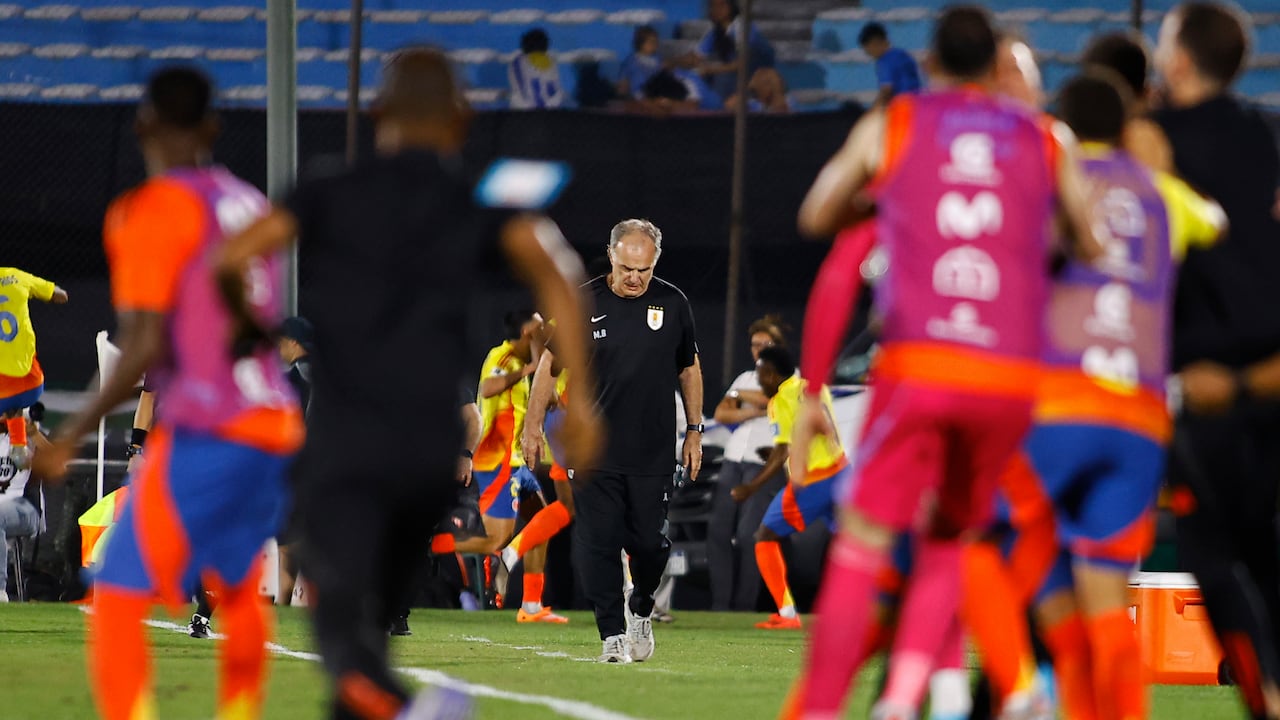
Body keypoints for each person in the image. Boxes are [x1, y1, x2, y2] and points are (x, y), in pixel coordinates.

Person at [214, 47, 600, 720]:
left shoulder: (328, 187)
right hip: (428, 442)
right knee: (376, 621)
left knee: (338, 620)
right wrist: (585, 401)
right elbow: (560, 275)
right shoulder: (479, 200)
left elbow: (231, 258)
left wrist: (251, 328)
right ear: (461, 120)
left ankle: (403, 705)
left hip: (346, 436)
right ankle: (380, 701)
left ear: (376, 113)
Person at [784, 6, 1101, 717]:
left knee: (864, 544)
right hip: (1010, 379)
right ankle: (915, 696)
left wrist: (884, 202)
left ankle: (825, 708)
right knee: (952, 539)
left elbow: (816, 216)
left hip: (921, 364)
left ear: (929, 64)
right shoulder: (1048, 138)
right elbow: (1090, 241)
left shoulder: (896, 123)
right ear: (997, 69)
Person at [33, 67, 305, 720]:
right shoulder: (249, 203)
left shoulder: (148, 210)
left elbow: (148, 342)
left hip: (211, 423)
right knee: (237, 582)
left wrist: (71, 433)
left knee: (120, 587)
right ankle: (239, 711)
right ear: (213, 128)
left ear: (142, 126)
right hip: (272, 419)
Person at [1149, 4, 1280, 718]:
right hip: (1269, 374)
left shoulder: (1155, 142)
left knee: (1211, 553)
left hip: (1207, 382)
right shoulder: (1266, 137)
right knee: (1259, 552)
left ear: (1179, 60)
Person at [573, 218, 702, 663]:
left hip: (652, 452)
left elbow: (688, 369)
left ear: (655, 262)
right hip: (595, 452)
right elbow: (553, 364)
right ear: (611, 255)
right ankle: (610, 634)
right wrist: (534, 427)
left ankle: (641, 606)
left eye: (643, 270)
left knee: (650, 544)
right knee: (599, 543)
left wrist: (695, 431)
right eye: (627, 268)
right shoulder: (584, 299)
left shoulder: (673, 302)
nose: (634, 278)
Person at [434, 309, 568, 624]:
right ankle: (436, 545)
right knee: (497, 540)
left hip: (517, 463)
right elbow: (488, 389)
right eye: (537, 329)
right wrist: (529, 371)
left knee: (541, 525)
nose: (542, 333)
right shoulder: (503, 356)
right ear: (525, 332)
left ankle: (531, 605)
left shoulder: (526, 365)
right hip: (496, 464)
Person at [732, 346, 848, 631]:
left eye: (761, 376)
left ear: (771, 374)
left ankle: (787, 614)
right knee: (855, 546)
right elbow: (804, 436)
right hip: (843, 473)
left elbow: (782, 449)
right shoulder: (812, 387)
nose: (760, 382)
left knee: (764, 536)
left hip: (813, 482)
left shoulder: (779, 399)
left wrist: (751, 486)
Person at [707, 315, 787, 612]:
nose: (759, 350)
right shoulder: (744, 378)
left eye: (765, 344)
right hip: (734, 458)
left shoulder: (790, 376)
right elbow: (721, 413)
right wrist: (748, 406)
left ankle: (743, 606)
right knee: (717, 531)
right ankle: (720, 605)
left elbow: (775, 398)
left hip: (761, 463)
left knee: (747, 536)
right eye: (755, 345)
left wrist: (741, 400)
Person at [0, 267, 67, 469]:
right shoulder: (16, 276)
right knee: (15, 404)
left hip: (5, 390)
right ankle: (18, 445)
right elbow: (61, 296)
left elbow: (60, 466)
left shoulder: (30, 421)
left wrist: (33, 434)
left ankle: (19, 442)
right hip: (30, 382)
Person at [691, 0, 775, 104]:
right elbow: (697, 56)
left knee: (722, 79)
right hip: (734, 75)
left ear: (731, 7)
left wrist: (711, 69)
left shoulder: (742, 27)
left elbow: (742, 63)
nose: (717, 10)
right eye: (713, 6)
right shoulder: (715, 32)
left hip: (756, 72)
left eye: (721, 5)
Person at [0, 413, 44, 602]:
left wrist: (34, 434)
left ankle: (0, 590)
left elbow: (60, 462)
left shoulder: (27, 436)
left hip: (25, 507)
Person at [858, 22, 922, 106]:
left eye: (868, 50)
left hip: (903, 107)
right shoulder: (902, 54)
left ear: (875, 43)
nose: (869, 54)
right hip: (917, 103)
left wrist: (873, 111)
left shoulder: (884, 61)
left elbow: (886, 91)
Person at [509, 28, 566, 110]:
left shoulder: (516, 62)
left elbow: (518, 90)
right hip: (549, 113)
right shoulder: (551, 60)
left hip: (522, 112)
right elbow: (556, 91)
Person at [619, 25, 662, 100]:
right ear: (640, 43)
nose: (655, 45)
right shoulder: (631, 61)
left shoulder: (658, 59)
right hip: (637, 96)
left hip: (656, 95)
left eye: (656, 42)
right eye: (651, 42)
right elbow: (623, 79)